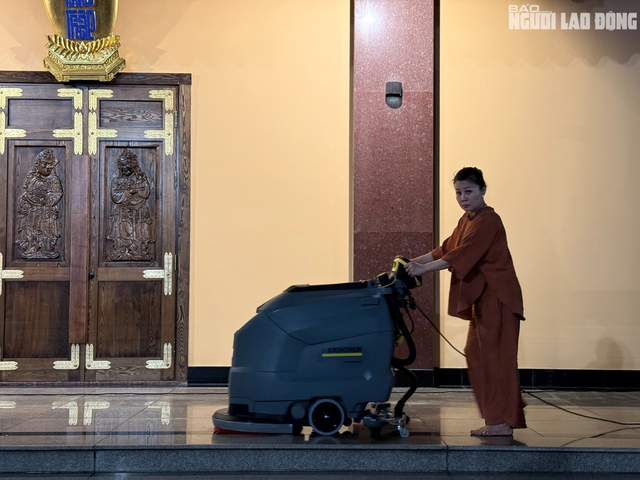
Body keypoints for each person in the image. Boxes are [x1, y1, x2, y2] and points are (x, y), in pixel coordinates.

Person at [405, 166, 526, 437]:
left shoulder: (488, 220)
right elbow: (446, 248)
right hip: (483, 300)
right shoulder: (467, 220)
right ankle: (498, 417)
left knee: (495, 359)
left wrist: (423, 270)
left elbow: (462, 253)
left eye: (468, 191)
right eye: (458, 193)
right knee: (476, 352)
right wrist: (414, 262)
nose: (463, 197)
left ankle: (501, 422)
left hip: (498, 298)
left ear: (483, 190)